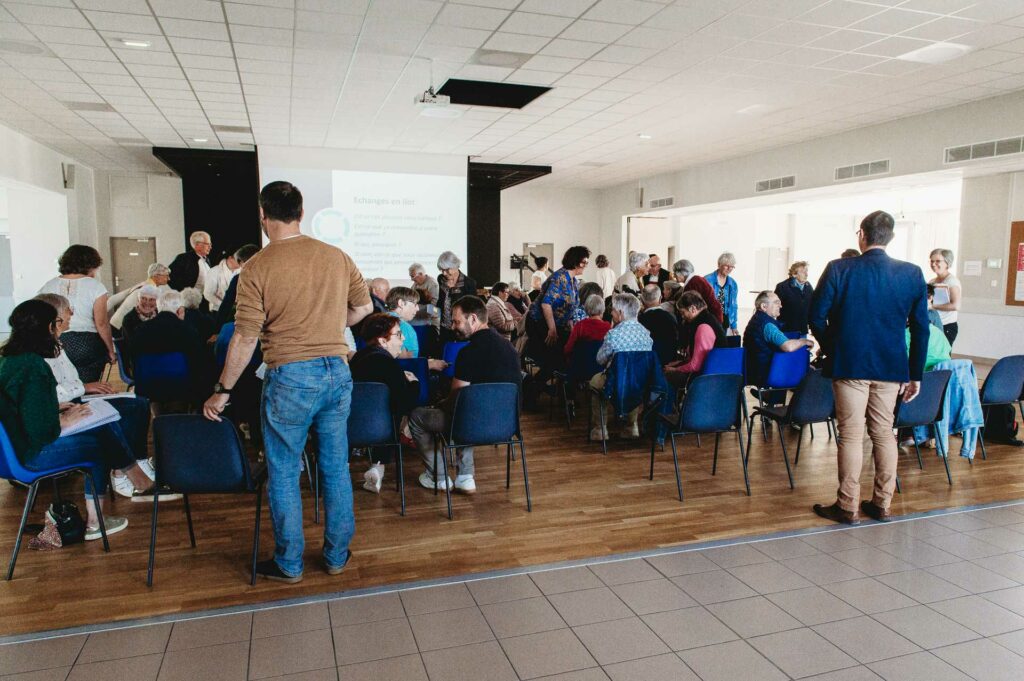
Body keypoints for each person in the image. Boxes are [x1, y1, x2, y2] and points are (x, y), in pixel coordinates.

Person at [203, 181, 372, 583]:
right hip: (337, 370)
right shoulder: (336, 255)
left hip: (291, 376)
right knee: (334, 467)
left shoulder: (257, 267)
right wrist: (329, 325)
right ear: (300, 213)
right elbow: (363, 307)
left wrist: (222, 391)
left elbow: (245, 337)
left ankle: (290, 563)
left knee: (283, 471)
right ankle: (335, 557)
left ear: (264, 216)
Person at [810, 210, 930, 525]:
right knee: (883, 433)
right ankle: (881, 503)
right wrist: (914, 373)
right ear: (889, 238)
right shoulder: (912, 273)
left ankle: (847, 506)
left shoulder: (840, 268)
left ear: (861, 234)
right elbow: (921, 329)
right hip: (891, 365)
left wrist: (834, 346)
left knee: (850, 434)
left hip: (850, 364)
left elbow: (815, 316)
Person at [0, 300, 153, 539]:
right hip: (30, 454)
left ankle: (132, 481)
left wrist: (53, 407)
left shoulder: (10, 360)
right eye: (57, 323)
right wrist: (63, 420)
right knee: (99, 440)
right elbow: (41, 430)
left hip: (12, 452)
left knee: (100, 426)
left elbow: (19, 407)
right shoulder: (33, 365)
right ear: (49, 327)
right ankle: (101, 516)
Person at [35, 293, 156, 498]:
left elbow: (70, 380)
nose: (72, 313)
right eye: (68, 309)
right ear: (55, 318)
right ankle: (122, 473)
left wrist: (84, 386)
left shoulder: (58, 343)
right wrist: (83, 388)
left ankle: (138, 461)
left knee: (139, 403)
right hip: (65, 405)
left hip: (73, 397)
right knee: (111, 418)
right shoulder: (41, 351)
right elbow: (54, 392)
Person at [408, 296, 521, 493]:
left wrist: (440, 404)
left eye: (457, 321)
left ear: (474, 319)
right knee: (470, 408)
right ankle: (465, 476)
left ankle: (439, 477)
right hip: (507, 425)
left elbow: (457, 399)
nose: (453, 326)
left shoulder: (468, 352)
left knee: (419, 416)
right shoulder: (509, 348)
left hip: (473, 424)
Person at [350, 314, 421, 494]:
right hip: (383, 430)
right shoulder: (390, 365)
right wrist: (413, 383)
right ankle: (378, 467)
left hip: (349, 429)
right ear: (382, 340)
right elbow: (405, 403)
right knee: (390, 412)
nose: (403, 338)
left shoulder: (357, 359)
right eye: (398, 334)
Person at [38, 245, 115, 383]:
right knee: (88, 384)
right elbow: (102, 323)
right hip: (87, 342)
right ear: (90, 264)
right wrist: (110, 349)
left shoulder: (48, 285)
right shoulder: (96, 286)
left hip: (55, 341)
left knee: (62, 382)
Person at [589, 294, 653, 441]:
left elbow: (600, 359)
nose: (611, 312)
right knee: (632, 382)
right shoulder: (646, 334)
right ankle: (631, 426)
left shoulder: (614, 334)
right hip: (641, 383)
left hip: (616, 381)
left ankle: (600, 430)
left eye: (613, 310)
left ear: (621, 313)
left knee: (595, 382)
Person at [525, 246, 590, 388]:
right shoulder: (560, 278)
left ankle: (559, 391)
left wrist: (572, 329)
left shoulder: (573, 281)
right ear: (575, 261)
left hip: (555, 323)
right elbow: (546, 304)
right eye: (584, 262)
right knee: (556, 358)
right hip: (539, 322)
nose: (585, 265)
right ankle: (534, 388)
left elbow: (572, 307)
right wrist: (552, 329)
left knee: (567, 353)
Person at [131, 290, 211, 401]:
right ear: (180, 310)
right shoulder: (188, 331)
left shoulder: (139, 330)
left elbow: (135, 361)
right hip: (182, 386)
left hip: (147, 386)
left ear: (158, 309)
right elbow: (198, 363)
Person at [743, 291, 815, 389]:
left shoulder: (756, 320)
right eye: (776, 302)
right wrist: (805, 341)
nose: (780, 306)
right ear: (764, 306)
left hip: (756, 371)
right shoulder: (768, 325)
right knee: (814, 373)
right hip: (768, 374)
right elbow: (788, 347)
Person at [664, 292, 724, 391]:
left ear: (693, 309)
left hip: (706, 378)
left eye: (683, 312)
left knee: (663, 376)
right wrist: (677, 364)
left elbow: (696, 365)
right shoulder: (708, 318)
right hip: (711, 373)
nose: (682, 316)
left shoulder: (703, 327)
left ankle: (673, 406)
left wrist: (675, 369)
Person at [109, 263, 170, 328]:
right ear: (156, 276)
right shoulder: (150, 291)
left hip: (115, 323)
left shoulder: (143, 284)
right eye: (166, 276)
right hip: (122, 327)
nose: (169, 279)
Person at [436, 251, 478, 344]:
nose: (444, 273)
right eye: (441, 270)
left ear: (455, 266)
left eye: (447, 270)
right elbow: (441, 300)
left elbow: (473, 307)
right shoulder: (441, 279)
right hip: (444, 326)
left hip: (461, 327)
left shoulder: (468, 283)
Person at [216, 244, 260, 326]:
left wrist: (217, 330)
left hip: (246, 325)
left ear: (242, 262)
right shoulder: (270, 275)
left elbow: (226, 305)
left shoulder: (238, 278)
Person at [672, 259, 723, 323]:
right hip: (713, 317)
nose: (674, 276)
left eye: (675, 273)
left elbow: (691, 311)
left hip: (711, 319)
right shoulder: (695, 279)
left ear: (682, 273)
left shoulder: (693, 283)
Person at [638, 285, 678, 364]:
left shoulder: (639, 321)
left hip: (645, 364)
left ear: (642, 301)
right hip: (667, 365)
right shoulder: (671, 318)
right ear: (660, 299)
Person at [929, 248, 961, 346]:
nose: (933, 264)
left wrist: (932, 306)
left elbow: (955, 306)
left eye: (938, 261)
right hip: (935, 324)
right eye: (932, 261)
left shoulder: (952, 281)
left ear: (947, 263)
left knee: (943, 356)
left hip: (947, 326)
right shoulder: (932, 281)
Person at [564, 293, 611, 358]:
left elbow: (568, 349)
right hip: (600, 366)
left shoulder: (580, 326)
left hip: (581, 364)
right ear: (603, 309)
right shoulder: (608, 327)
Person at [775, 261, 814, 335]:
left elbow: (812, 306)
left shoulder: (808, 286)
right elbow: (775, 307)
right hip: (786, 330)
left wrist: (812, 325)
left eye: (806, 271)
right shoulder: (782, 287)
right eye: (803, 272)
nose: (806, 274)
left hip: (803, 329)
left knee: (802, 346)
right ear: (794, 274)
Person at [705, 252, 739, 334]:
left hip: (724, 319)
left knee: (721, 344)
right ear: (719, 264)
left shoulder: (733, 284)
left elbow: (733, 305)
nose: (729, 269)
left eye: (732, 267)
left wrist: (734, 325)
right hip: (710, 318)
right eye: (727, 265)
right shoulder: (707, 280)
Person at [385, 286, 421, 358]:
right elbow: (405, 357)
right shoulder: (402, 326)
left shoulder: (378, 320)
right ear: (401, 303)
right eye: (415, 304)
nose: (418, 308)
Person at [409, 263, 439, 327]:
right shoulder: (415, 284)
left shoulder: (433, 284)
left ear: (420, 274)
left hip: (430, 323)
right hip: (417, 321)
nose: (411, 279)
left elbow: (436, 310)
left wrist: (420, 309)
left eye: (412, 276)